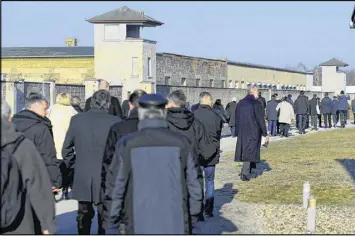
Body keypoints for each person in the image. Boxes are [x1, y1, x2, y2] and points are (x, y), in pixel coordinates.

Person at [106, 94, 202, 234]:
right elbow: (195, 186)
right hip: (176, 223)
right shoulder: (182, 143)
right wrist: (194, 220)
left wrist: (112, 223)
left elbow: (116, 187)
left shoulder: (127, 144)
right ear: (164, 113)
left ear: (140, 113)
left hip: (137, 223)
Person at [62, 90, 121, 234]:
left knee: (83, 213)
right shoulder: (116, 122)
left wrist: (75, 165)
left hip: (83, 173)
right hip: (106, 176)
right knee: (104, 215)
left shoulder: (77, 120)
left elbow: (66, 149)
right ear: (107, 104)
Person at [1, 101, 56, 235]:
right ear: (9, 118)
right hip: (17, 222)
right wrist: (47, 224)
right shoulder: (22, 145)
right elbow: (38, 186)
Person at [165, 90, 218, 222]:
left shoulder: (163, 122)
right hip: (192, 169)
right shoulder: (195, 123)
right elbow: (205, 149)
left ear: (171, 102)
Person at [102, 89, 147, 233]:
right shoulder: (159, 130)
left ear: (131, 105)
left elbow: (108, 160)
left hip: (124, 187)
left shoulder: (118, 128)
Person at [12, 92, 62, 191]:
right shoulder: (41, 128)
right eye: (45, 109)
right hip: (35, 177)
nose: (47, 112)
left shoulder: (11, 124)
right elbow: (48, 155)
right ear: (36, 106)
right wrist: (54, 181)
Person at [194, 92, 223, 218]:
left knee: (197, 182)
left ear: (200, 101)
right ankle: (208, 210)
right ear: (209, 101)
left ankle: (198, 210)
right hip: (211, 153)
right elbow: (218, 134)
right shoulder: (216, 116)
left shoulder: (193, 116)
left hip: (197, 153)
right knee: (210, 182)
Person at [234, 86, 268, 182]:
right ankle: (245, 173)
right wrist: (265, 133)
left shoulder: (240, 103)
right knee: (251, 150)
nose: (258, 93)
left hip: (243, 130)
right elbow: (260, 119)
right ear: (252, 92)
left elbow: (237, 118)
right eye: (257, 91)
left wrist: (237, 131)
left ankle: (252, 171)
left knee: (249, 149)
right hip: (253, 130)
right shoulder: (256, 103)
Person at [48, 93, 78, 200]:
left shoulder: (52, 110)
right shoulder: (73, 111)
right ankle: (65, 189)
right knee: (67, 169)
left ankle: (55, 189)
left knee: (55, 169)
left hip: (54, 143)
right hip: (68, 145)